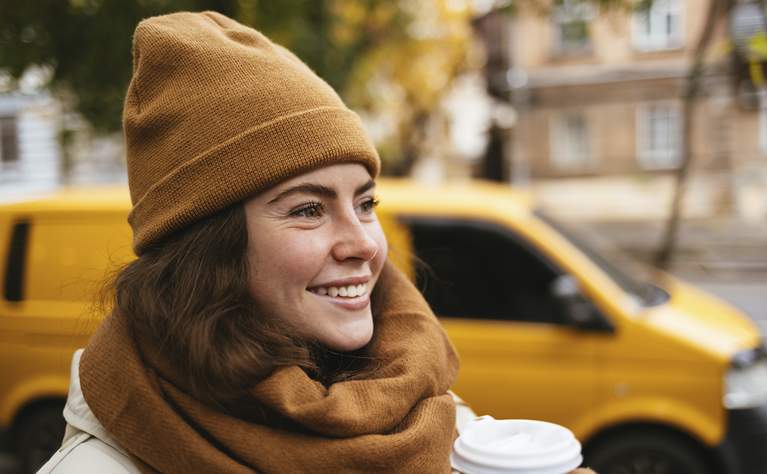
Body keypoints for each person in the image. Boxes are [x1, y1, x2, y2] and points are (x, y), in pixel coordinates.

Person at [38, 11, 594, 474]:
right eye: (308, 209)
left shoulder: (411, 402)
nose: (364, 245)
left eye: (366, 204)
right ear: (208, 249)